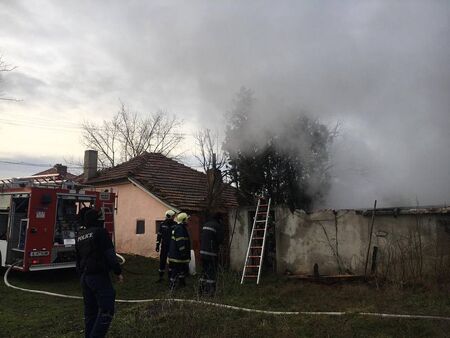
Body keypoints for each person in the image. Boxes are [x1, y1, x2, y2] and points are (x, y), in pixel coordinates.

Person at [75, 208, 123, 338]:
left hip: (85, 277)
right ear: (98, 219)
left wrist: (81, 275)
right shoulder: (101, 232)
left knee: (91, 312)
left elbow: (78, 259)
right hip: (98, 277)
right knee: (106, 310)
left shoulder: (80, 235)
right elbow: (110, 254)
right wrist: (118, 272)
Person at [199, 212, 224, 296]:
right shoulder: (217, 226)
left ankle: (201, 290)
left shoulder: (206, 224)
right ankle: (210, 291)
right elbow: (220, 239)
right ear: (219, 219)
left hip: (202, 252)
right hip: (211, 253)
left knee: (204, 271)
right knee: (212, 272)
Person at [168, 212, 191, 290]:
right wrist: (183, 252)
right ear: (183, 220)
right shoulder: (180, 229)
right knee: (175, 271)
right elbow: (180, 242)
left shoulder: (180, 228)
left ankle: (181, 283)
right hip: (177, 255)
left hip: (178, 255)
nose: (188, 221)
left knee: (181, 270)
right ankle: (172, 286)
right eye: (187, 219)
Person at [155, 209, 176, 282]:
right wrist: (157, 245)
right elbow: (159, 235)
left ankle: (170, 277)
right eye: (173, 216)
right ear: (169, 216)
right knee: (162, 260)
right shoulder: (162, 224)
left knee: (171, 261)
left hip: (172, 246)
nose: (174, 217)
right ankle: (160, 277)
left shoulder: (175, 225)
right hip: (164, 245)